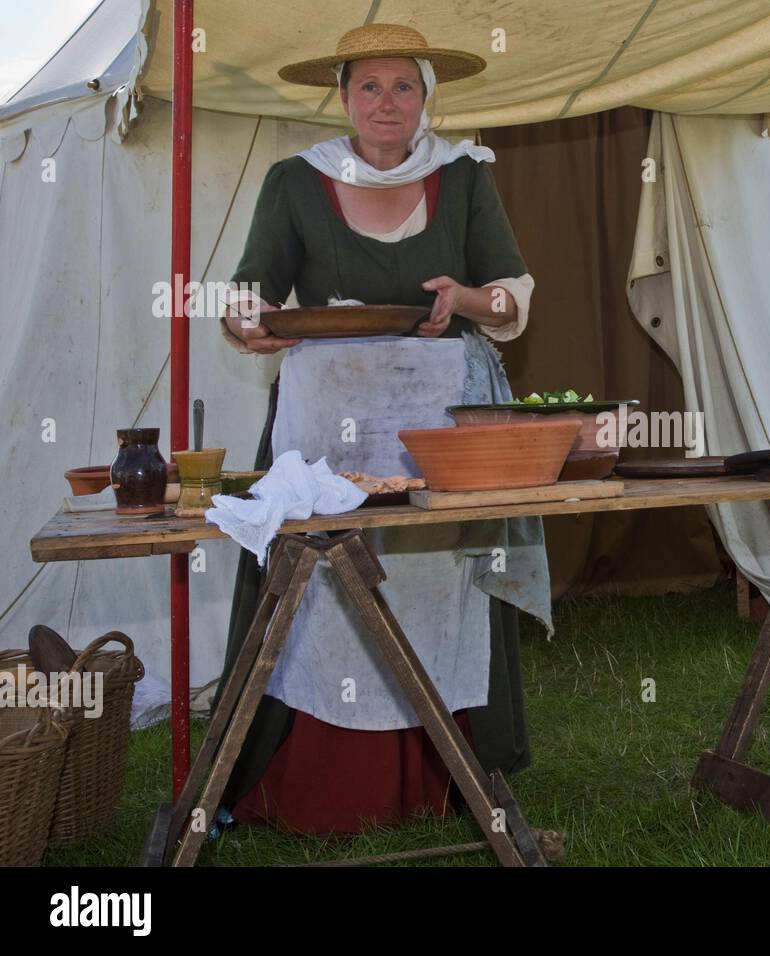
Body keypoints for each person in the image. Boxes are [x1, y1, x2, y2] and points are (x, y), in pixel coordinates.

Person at [215, 23, 543, 834]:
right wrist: (246, 322)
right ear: (342, 96)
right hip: (324, 430)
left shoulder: (464, 178)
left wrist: (463, 300)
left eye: (404, 86)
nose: (386, 102)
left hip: (439, 428)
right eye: (369, 86)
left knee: (441, 583)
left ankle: (451, 777)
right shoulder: (296, 181)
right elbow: (246, 298)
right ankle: (309, 786)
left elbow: (509, 299)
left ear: (427, 96)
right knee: (321, 584)